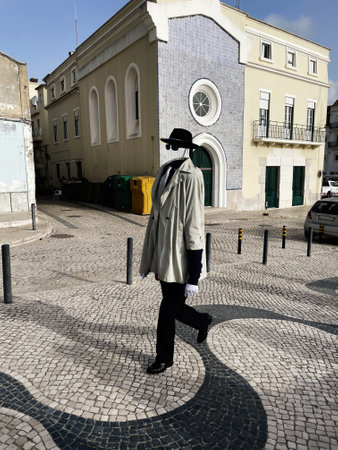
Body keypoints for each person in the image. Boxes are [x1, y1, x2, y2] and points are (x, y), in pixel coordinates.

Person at [140, 128, 212, 375]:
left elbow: (195, 224)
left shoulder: (192, 177)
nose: (170, 148)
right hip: (164, 257)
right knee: (176, 308)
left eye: (174, 144)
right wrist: (150, 258)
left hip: (181, 260)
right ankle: (203, 321)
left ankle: (164, 357)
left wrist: (194, 275)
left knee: (166, 312)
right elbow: (157, 220)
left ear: (185, 149)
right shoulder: (165, 171)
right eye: (169, 144)